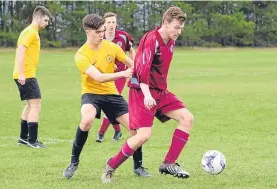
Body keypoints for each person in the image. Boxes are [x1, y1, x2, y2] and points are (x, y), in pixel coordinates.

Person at [101, 6, 194, 183]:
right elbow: (141, 69)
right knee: (142, 136)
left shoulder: (171, 40)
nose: (179, 31)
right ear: (165, 23)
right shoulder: (152, 39)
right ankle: (111, 166)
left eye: (181, 28)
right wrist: (147, 95)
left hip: (159, 91)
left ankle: (168, 163)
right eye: (176, 27)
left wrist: (157, 91)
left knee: (187, 118)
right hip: (141, 92)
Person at [63, 14, 150, 179]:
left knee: (136, 130)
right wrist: (123, 73)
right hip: (91, 93)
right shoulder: (81, 55)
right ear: (88, 32)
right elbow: (99, 77)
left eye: (103, 31)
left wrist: (144, 71)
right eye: (97, 32)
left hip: (111, 93)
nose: (101, 35)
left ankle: (138, 167)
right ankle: (74, 162)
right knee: (87, 119)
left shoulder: (111, 47)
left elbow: (133, 63)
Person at [13, 6, 51, 148]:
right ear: (38, 17)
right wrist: (22, 72)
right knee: (36, 105)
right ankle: (32, 141)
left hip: (25, 74)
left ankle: (23, 138)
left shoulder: (29, 31)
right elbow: (21, 51)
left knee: (29, 106)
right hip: (26, 75)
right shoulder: (31, 32)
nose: (47, 23)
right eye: (45, 20)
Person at [96, 12, 136, 143]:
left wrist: (134, 66)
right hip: (104, 75)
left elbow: (131, 50)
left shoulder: (123, 37)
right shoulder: (99, 37)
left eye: (113, 22)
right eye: (108, 22)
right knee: (107, 103)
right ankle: (117, 130)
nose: (111, 25)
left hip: (120, 75)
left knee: (110, 101)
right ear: (104, 24)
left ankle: (101, 133)